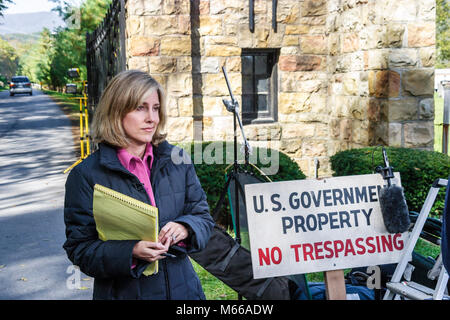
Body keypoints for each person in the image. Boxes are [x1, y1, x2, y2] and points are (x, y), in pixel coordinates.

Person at [63, 70, 215, 300]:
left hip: (185, 292)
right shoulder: (85, 176)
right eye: (140, 108)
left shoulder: (178, 160)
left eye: (155, 108)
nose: (152, 118)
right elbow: (80, 249)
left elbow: (203, 218)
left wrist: (186, 227)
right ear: (117, 111)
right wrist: (131, 251)